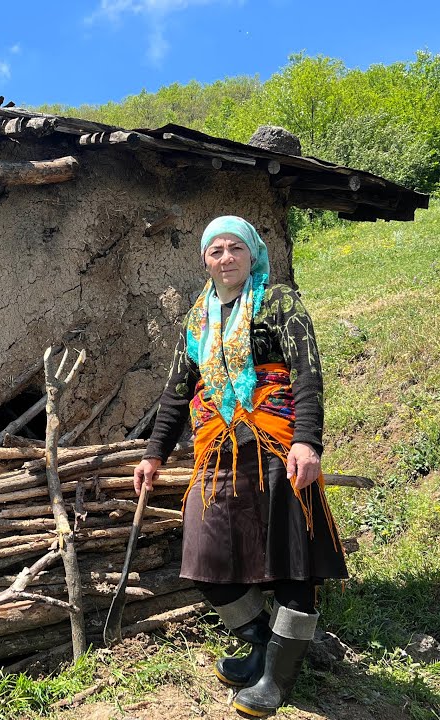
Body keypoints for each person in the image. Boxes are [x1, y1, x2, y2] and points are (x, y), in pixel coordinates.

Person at [132, 215, 347, 718]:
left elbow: (307, 373)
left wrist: (307, 442)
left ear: (252, 254)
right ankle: (258, 646)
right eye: (215, 251)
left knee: (294, 563)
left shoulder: (278, 302)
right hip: (219, 451)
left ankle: (276, 677)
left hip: (276, 446)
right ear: (204, 260)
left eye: (234, 248)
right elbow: (176, 392)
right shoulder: (197, 318)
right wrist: (153, 453)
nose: (225, 258)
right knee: (206, 558)